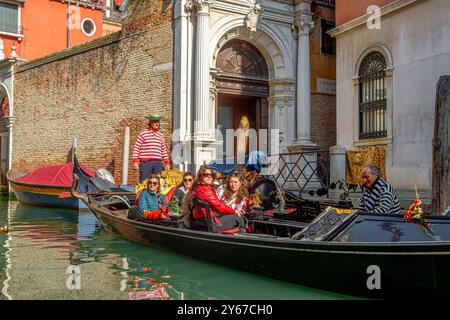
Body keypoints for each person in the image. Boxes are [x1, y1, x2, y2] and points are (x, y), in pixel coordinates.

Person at [182, 166, 247, 232]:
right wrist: (234, 211)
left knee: (239, 218)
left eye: (211, 175)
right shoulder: (207, 190)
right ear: (201, 176)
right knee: (239, 218)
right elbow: (220, 206)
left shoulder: (197, 188)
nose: (209, 176)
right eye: (206, 175)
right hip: (210, 223)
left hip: (200, 221)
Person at [132, 113, 170, 182]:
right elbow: (136, 148)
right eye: (155, 122)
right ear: (150, 122)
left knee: (157, 183)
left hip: (158, 163)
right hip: (146, 163)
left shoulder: (161, 135)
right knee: (144, 182)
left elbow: (163, 150)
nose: (157, 124)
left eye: (158, 122)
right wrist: (135, 161)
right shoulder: (143, 133)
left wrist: (167, 162)